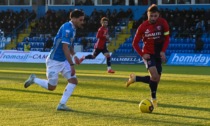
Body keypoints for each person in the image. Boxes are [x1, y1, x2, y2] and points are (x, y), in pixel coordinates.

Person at [24, 9, 85, 111]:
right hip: (54, 61)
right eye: (80, 20)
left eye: (83, 20)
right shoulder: (67, 29)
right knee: (52, 87)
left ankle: (61, 105)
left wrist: (75, 56)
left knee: (73, 81)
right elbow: (65, 47)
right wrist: (72, 65)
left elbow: (69, 46)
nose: (82, 22)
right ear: (73, 19)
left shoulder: (73, 29)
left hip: (63, 60)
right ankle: (34, 79)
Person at [126, 4, 170, 107]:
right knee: (154, 76)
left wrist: (163, 51)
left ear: (158, 15)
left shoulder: (163, 23)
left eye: (155, 16)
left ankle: (135, 78)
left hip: (158, 53)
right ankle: (153, 99)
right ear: (147, 15)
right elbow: (134, 43)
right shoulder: (142, 27)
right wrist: (142, 54)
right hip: (148, 54)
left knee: (156, 79)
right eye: (151, 16)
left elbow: (167, 38)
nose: (153, 18)